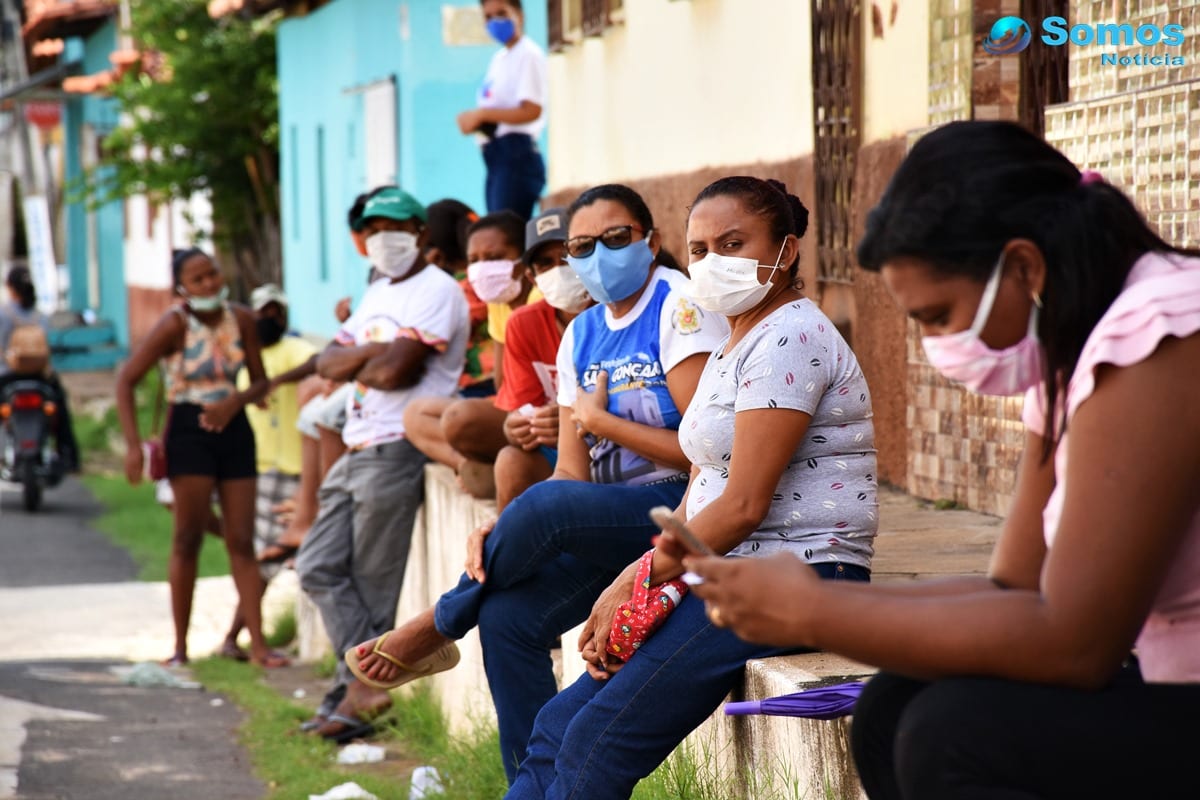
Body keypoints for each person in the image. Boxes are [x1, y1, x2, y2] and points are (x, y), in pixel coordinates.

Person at [684, 122, 1200, 800]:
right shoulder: (1076, 343)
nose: (935, 346)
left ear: (1023, 267)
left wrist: (816, 614)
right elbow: (1017, 585)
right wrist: (813, 600)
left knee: (952, 733)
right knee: (893, 706)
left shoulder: (1159, 335)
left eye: (938, 315)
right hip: (1161, 674)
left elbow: (1075, 643)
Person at [503, 177, 878, 799]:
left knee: (596, 742)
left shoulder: (790, 336)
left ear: (785, 250)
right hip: (722, 571)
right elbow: (705, 481)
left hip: (798, 573)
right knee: (556, 727)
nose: (712, 262)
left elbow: (743, 504)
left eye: (733, 243)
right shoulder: (735, 341)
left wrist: (640, 576)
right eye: (700, 249)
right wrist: (649, 575)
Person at [344, 184, 728, 781]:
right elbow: (572, 473)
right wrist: (507, 527)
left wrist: (603, 422)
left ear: (650, 242)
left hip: (679, 504)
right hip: (611, 517)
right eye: (582, 246)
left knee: (545, 505)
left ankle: (437, 625)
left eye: (616, 238)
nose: (599, 255)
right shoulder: (582, 333)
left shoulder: (677, 307)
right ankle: (530, 786)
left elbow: (706, 453)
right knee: (506, 618)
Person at [294, 187, 471, 744]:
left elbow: (398, 374)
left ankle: (352, 703)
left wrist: (362, 361)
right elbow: (328, 359)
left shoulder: (436, 291)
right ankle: (362, 691)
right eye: (371, 229)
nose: (381, 238)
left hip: (396, 447)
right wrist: (374, 355)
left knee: (372, 588)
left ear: (420, 233)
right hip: (357, 444)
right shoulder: (377, 293)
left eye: (393, 227)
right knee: (316, 566)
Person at [115, 248, 287, 668]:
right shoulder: (174, 325)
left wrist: (235, 403)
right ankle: (180, 648)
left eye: (212, 273)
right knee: (187, 537)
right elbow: (126, 378)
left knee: (242, 540)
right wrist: (135, 445)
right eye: (198, 279)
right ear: (182, 289)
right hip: (188, 431)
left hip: (235, 429)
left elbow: (261, 384)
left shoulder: (242, 318)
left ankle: (258, 645)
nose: (209, 283)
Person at [403, 210, 536, 500]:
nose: (482, 268)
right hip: (513, 413)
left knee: (459, 419)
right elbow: (504, 387)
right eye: (474, 260)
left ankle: (490, 464)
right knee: (415, 414)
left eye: (494, 256)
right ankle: (472, 467)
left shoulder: (539, 302)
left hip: (539, 419)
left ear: (523, 258)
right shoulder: (499, 303)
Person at [219, 284, 316, 643]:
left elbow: (318, 361)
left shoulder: (295, 351)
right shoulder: (248, 366)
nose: (269, 319)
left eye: (275, 313)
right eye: (262, 314)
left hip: (296, 470)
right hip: (262, 470)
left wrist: (275, 382)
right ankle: (239, 636)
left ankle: (240, 636)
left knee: (275, 560)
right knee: (259, 559)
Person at [491, 206, 592, 510]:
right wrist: (519, 426)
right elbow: (524, 408)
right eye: (545, 264)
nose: (558, 269)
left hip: (618, 444)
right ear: (532, 278)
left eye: (566, 256)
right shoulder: (523, 323)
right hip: (559, 450)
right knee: (509, 459)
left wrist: (568, 421)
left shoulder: (613, 311)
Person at [457, 0, 547, 219]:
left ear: (520, 15)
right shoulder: (500, 59)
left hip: (516, 153)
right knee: (496, 225)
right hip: (495, 154)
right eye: (488, 17)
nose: (494, 21)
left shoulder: (528, 54)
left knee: (507, 231)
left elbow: (532, 110)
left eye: (501, 13)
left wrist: (482, 115)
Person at [0, 266, 79, 472]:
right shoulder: (40, 317)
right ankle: (69, 455)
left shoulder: (4, 314)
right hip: (39, 377)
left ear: (11, 288)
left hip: (7, 376)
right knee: (59, 408)